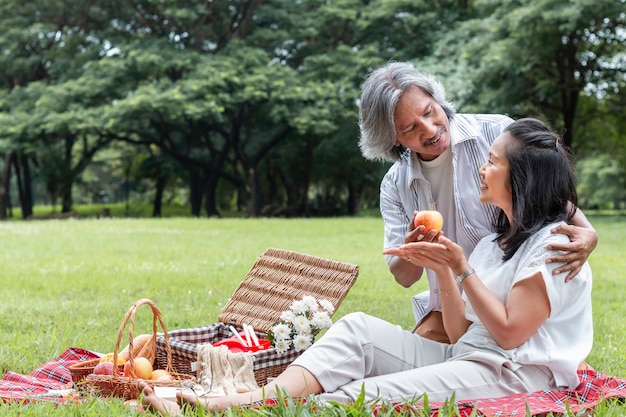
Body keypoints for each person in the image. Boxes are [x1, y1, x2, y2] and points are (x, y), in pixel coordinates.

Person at [138, 118, 593, 414]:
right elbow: (458, 334)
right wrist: (440, 267)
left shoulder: (554, 246)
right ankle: (247, 399)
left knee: (370, 395)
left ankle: (221, 407)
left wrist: (460, 265)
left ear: (521, 177)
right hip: (468, 355)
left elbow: (511, 333)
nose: (481, 168)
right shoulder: (497, 241)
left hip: (511, 375)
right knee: (357, 328)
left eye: (492, 162)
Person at [358, 61, 597, 343]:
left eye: (429, 111)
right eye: (410, 128)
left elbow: (546, 193)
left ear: (437, 99)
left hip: (509, 297)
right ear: (393, 139)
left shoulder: (497, 132)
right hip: (450, 306)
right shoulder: (395, 184)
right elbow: (404, 277)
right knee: (398, 359)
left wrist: (589, 233)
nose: (429, 128)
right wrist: (413, 249)